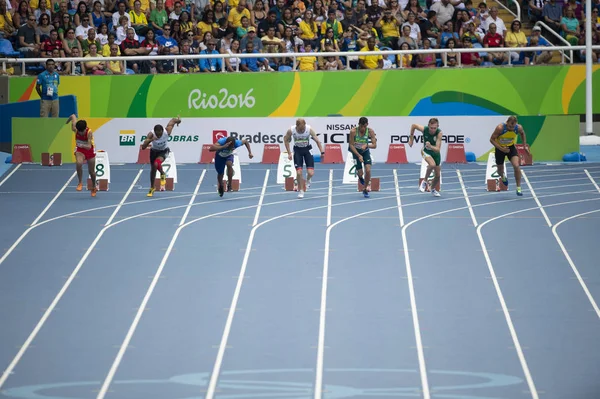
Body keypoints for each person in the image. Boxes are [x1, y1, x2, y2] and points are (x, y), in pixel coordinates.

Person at [283, 118, 325, 199]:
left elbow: (317, 141)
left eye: (303, 128)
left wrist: (322, 152)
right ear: (297, 126)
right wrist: (289, 153)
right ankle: (301, 190)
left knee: (311, 173)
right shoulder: (291, 130)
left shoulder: (309, 129)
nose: (302, 130)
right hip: (297, 151)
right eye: (300, 129)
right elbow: (286, 140)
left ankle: (308, 179)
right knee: (299, 173)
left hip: (307, 150)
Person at [141, 116, 181, 197]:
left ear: (163, 131)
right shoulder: (151, 134)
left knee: (156, 163)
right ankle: (152, 188)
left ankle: (162, 174)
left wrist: (178, 121)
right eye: (157, 135)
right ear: (155, 132)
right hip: (154, 151)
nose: (159, 136)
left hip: (164, 151)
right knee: (153, 170)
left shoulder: (167, 131)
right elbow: (143, 147)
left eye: (160, 134)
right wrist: (150, 140)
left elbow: (173, 121)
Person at [489, 115, 529, 196]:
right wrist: (502, 149)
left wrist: (524, 145)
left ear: (516, 124)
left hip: (511, 148)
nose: (511, 128)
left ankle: (518, 188)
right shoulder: (500, 128)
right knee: (500, 171)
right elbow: (492, 139)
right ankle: (503, 176)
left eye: (513, 126)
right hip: (500, 149)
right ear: (507, 123)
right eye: (510, 126)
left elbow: (522, 133)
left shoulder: (518, 128)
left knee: (516, 166)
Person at [409, 118, 443, 197]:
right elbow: (413, 125)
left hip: (435, 154)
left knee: (437, 176)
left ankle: (433, 189)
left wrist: (430, 146)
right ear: (428, 126)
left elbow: (437, 149)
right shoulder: (424, 129)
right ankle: (424, 181)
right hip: (425, 151)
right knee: (432, 165)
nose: (433, 130)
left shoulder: (439, 133)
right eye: (431, 128)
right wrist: (411, 139)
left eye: (435, 128)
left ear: (437, 126)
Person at [67, 114, 97, 197]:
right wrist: (67, 121)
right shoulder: (75, 128)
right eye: (78, 131)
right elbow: (73, 116)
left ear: (85, 129)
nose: (80, 133)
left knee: (92, 172)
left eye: (81, 131)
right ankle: (80, 183)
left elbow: (88, 147)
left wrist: (81, 144)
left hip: (89, 150)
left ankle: (94, 186)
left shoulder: (89, 133)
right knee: (79, 163)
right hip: (80, 150)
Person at [348, 117, 377, 198]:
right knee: (360, 173)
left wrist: (367, 145)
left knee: (368, 170)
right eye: (361, 127)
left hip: (365, 152)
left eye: (364, 127)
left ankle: (365, 189)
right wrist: (358, 155)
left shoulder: (370, 131)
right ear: (359, 125)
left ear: (367, 125)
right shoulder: (353, 131)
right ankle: (360, 177)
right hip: (356, 152)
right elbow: (351, 145)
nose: (362, 129)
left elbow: (374, 145)